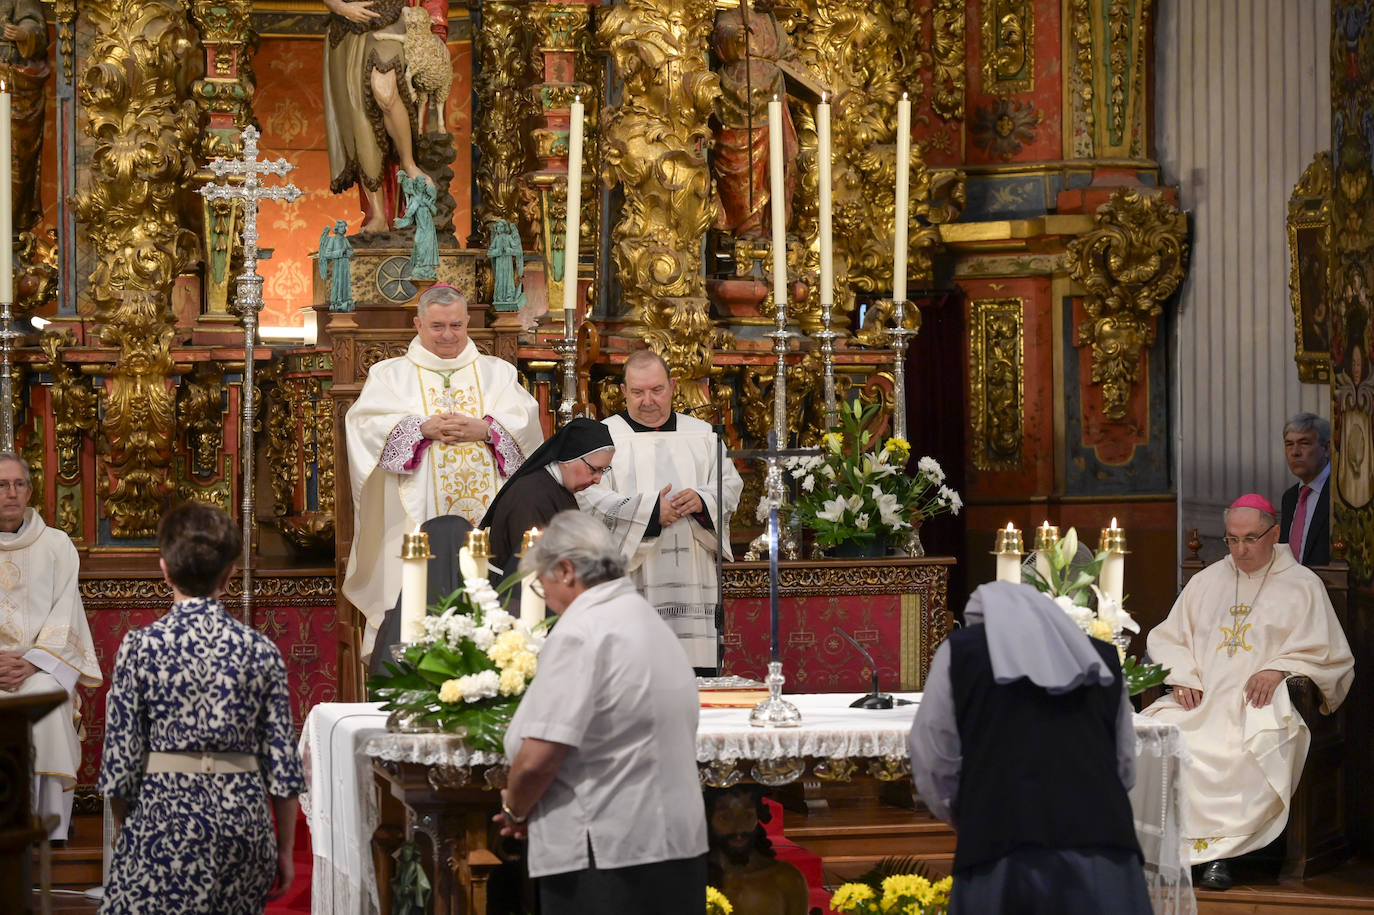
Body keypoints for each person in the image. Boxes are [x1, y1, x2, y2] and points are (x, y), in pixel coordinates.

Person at [494, 510, 707, 915]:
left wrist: (514, 810)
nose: (548, 600)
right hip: (676, 849)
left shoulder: (582, 630)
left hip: (607, 854)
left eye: (543, 583)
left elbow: (538, 758)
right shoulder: (649, 620)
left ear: (567, 570)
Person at [98, 502, 305, 913]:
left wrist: (126, 829)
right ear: (229, 573)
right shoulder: (260, 650)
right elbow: (283, 770)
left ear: (165, 569)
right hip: (242, 823)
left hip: (161, 820)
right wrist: (282, 849)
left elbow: (120, 762)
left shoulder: (140, 647)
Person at [1141, 493, 1354, 891]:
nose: (1240, 550)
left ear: (1274, 534)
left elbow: (1329, 653)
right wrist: (1183, 675)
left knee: (1247, 744)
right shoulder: (1207, 580)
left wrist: (1280, 668)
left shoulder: (1302, 585)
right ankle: (1168, 851)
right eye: (1232, 540)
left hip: (1256, 703)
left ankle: (1221, 857)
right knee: (1156, 734)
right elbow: (1169, 637)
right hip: (1201, 699)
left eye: (1250, 539)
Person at [910, 580, 1152, 914]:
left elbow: (933, 756)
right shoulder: (1102, 656)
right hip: (1102, 846)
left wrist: (967, 813)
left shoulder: (960, 651)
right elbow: (1124, 761)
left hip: (998, 844)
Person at [343, 284, 543, 657]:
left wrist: (487, 429)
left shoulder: (497, 373)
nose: (448, 335)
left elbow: (528, 426)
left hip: (488, 521)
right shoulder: (389, 375)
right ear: (418, 324)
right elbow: (363, 428)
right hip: (410, 524)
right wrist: (420, 429)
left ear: (468, 322)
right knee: (415, 604)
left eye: (456, 325)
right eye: (437, 326)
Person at [577, 351, 743, 670]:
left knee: (696, 672)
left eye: (657, 390)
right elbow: (588, 497)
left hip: (695, 578)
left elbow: (730, 486)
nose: (648, 401)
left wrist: (703, 499)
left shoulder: (703, 435)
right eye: (637, 392)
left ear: (673, 386)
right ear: (623, 391)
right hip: (631, 576)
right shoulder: (603, 437)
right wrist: (651, 514)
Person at [0, 453, 101, 841]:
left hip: (38, 670)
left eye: (18, 484)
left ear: (29, 490)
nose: (11, 493)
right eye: (2, 485)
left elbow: (67, 615)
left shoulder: (57, 546)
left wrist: (33, 664)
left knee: (47, 698)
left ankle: (48, 828)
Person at [322, 0, 446, 233]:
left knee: (385, 90)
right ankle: (377, 214)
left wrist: (435, 28)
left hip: (392, 15)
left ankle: (409, 163)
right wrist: (339, 7)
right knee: (359, 116)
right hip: (346, 25)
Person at [479, 417, 615, 575]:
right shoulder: (530, 496)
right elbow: (534, 568)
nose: (598, 480)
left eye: (603, 470)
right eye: (594, 469)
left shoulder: (555, 485)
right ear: (568, 458)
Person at [1279, 412, 1332, 566]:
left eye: (1304, 443)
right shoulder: (1289, 498)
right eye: (1289, 444)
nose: (1295, 452)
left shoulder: (1342, 493)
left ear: (1327, 448)